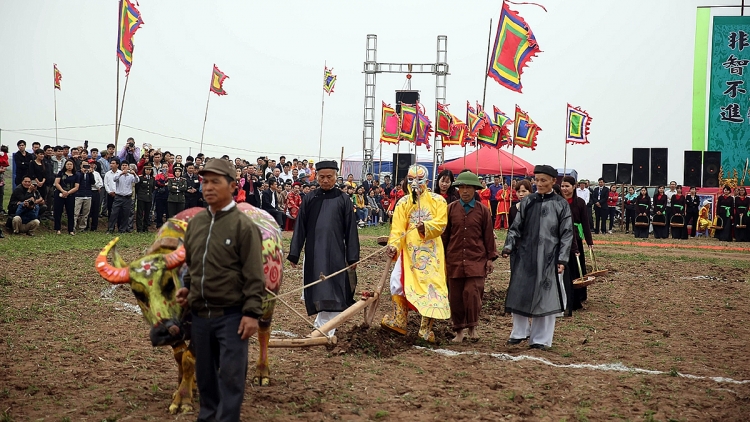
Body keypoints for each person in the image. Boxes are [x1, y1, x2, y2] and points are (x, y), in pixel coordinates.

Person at [174, 158, 265, 422]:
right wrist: (187, 289)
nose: (208, 187)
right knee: (206, 379)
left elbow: (254, 275)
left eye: (216, 181)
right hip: (201, 316)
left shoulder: (243, 226)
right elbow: (192, 265)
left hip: (233, 316)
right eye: (205, 182)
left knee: (231, 378)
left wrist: (251, 313)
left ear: (233, 186)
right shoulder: (197, 224)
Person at [502, 165, 573, 350]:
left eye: (543, 180)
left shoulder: (561, 204)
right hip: (525, 255)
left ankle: (540, 339)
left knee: (546, 296)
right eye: (537, 180)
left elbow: (567, 233)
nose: (539, 184)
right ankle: (519, 332)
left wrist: (562, 259)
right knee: (520, 290)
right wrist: (508, 246)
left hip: (550, 257)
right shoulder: (528, 202)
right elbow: (515, 227)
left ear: (553, 181)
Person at [287, 160, 360, 335]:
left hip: (336, 251)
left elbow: (351, 229)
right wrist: (294, 253)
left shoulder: (343, 199)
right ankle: (324, 326)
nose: (325, 180)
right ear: (316, 177)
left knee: (336, 286)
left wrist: (352, 257)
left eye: (329, 177)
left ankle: (327, 326)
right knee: (318, 286)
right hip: (314, 251)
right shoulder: (310, 199)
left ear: (335, 177)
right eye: (322, 177)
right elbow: (300, 228)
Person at [383, 164, 449, 343]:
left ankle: (426, 329)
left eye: (418, 179)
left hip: (431, 252)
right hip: (408, 250)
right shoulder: (403, 202)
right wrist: (394, 246)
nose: (414, 183)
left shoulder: (438, 201)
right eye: (410, 179)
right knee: (397, 281)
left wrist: (426, 227)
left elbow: (441, 224)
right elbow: (397, 228)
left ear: (427, 182)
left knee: (431, 287)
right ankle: (399, 320)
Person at [441, 171, 497, 342]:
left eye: (468, 188)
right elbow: (445, 236)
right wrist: (441, 258)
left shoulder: (483, 211)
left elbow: (488, 235)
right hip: (454, 259)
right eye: (462, 188)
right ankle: (459, 332)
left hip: (476, 259)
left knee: (473, 293)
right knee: (455, 297)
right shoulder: (450, 209)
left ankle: (473, 328)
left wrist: (489, 258)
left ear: (475, 190)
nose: (464, 191)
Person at [560, 176, 591, 314]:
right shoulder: (558, 201)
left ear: (574, 186)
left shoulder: (580, 202)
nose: (564, 189)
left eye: (567, 186)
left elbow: (585, 222)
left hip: (575, 239)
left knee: (578, 267)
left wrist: (589, 241)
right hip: (560, 238)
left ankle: (579, 295)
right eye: (562, 186)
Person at [107, 162, 139, 234]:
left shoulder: (131, 176)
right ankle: (110, 229)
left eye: (126, 165)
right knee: (114, 213)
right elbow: (114, 179)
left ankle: (122, 230)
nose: (124, 167)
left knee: (126, 214)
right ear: (121, 167)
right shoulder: (118, 174)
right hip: (118, 197)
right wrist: (121, 173)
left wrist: (134, 174)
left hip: (127, 198)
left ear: (128, 167)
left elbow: (137, 181)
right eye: (123, 165)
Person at [73, 161, 95, 233]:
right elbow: (77, 182)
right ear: (81, 166)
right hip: (79, 195)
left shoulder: (89, 174)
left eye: (87, 166)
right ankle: (73, 226)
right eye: (84, 166)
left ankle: (82, 227)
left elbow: (93, 182)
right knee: (76, 212)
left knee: (86, 213)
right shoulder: (77, 173)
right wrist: (82, 173)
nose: (86, 168)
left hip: (88, 195)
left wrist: (91, 173)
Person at [135, 165, 155, 232]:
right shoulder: (141, 178)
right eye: (146, 169)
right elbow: (137, 188)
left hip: (149, 198)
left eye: (149, 170)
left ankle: (145, 228)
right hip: (141, 198)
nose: (148, 171)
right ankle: (139, 228)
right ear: (144, 170)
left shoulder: (152, 178)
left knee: (147, 213)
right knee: (140, 214)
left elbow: (152, 188)